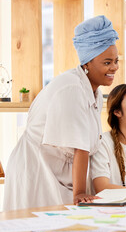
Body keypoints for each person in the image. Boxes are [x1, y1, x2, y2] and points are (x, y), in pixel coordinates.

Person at [3, 15, 119, 210]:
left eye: (116, 60)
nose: (114, 67)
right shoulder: (72, 88)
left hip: (56, 173)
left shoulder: (95, 92)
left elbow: (89, 146)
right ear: (87, 63)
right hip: (36, 170)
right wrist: (81, 193)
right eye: (107, 62)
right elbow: (79, 146)